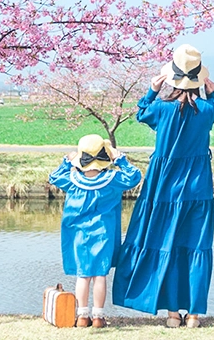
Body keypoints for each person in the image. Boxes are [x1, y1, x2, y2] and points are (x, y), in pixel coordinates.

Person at [112, 44, 214, 328]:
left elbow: (141, 112)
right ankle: (195, 314)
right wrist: (210, 93)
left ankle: (173, 313)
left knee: (168, 244)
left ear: (171, 79)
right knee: (196, 246)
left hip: (162, 186)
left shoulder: (161, 110)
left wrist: (152, 89)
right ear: (199, 79)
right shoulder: (207, 109)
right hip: (197, 186)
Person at [48, 132, 143, 328]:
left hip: (79, 235)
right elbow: (135, 176)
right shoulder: (113, 179)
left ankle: (82, 316)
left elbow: (54, 177)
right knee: (100, 275)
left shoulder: (71, 180)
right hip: (104, 234)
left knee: (83, 275)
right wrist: (120, 159)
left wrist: (68, 161)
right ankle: (98, 316)